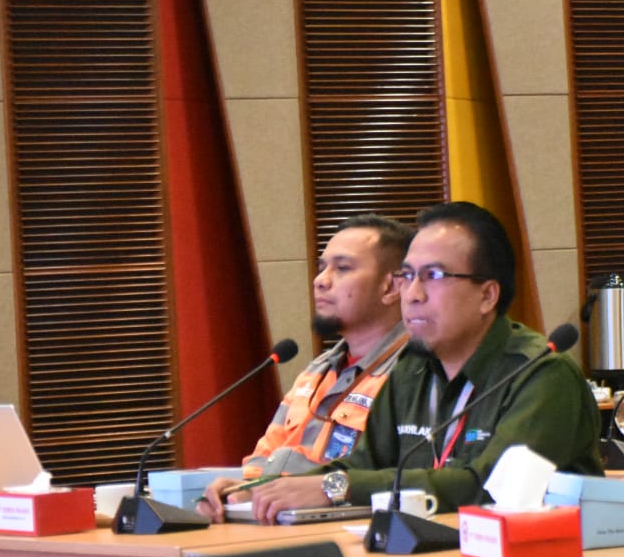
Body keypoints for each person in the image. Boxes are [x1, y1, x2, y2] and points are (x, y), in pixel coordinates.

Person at [219, 201, 604, 524]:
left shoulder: (539, 375)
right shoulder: (412, 371)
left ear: (487, 295)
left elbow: (488, 488)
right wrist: (256, 491)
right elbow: (362, 466)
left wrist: (335, 488)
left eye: (433, 276)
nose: (413, 294)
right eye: (407, 275)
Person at [198, 215, 411, 508]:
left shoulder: (414, 372)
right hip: (281, 516)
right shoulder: (317, 371)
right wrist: (241, 488)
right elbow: (266, 456)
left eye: (343, 268)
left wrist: (318, 490)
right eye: (322, 268)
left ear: (391, 287)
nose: (320, 281)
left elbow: (399, 478)